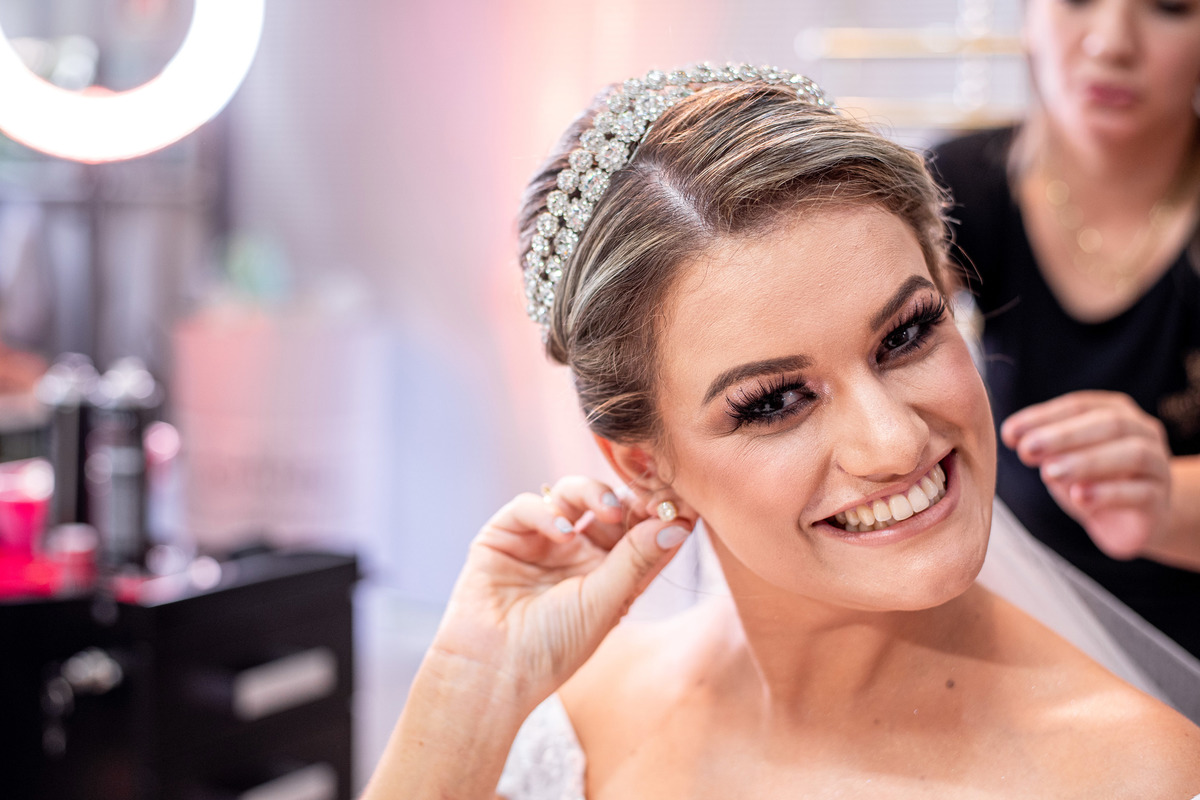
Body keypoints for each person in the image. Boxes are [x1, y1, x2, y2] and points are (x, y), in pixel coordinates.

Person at [363, 65, 1200, 799]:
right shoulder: (574, 723)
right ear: (645, 466)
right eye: (774, 402)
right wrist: (465, 691)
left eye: (907, 334)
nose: (895, 444)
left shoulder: (1137, 777)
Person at [928, 0, 1200, 658]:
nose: (1110, 44)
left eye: (1169, 7)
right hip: (1018, 617)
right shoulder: (960, 184)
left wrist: (1164, 501)